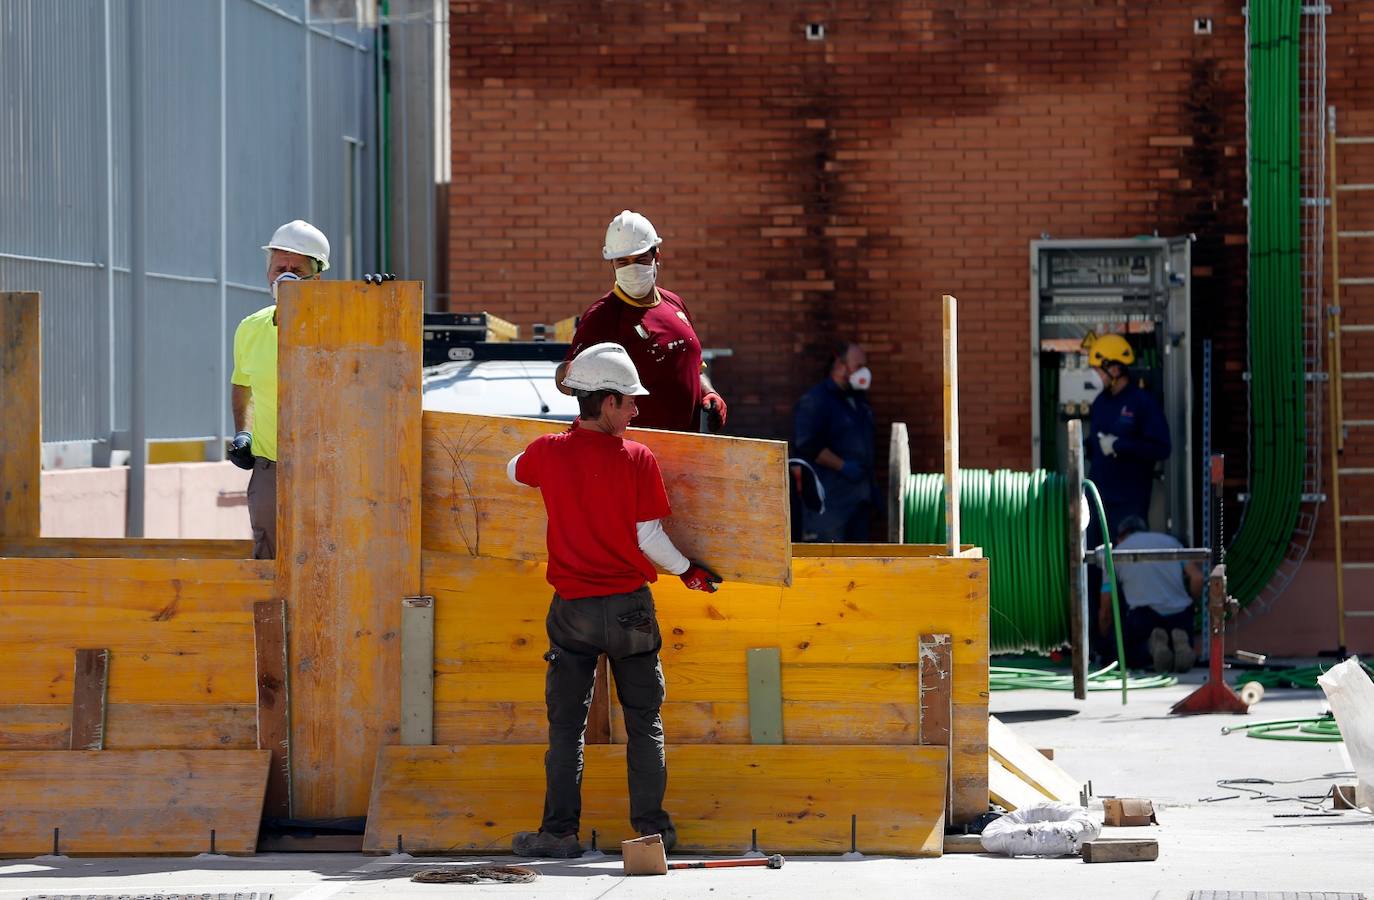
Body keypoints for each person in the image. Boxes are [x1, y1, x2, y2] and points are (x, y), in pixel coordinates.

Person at [507, 342, 724, 859]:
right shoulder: (637, 459)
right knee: (644, 723)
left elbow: (512, 468)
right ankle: (653, 834)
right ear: (605, 403)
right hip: (629, 609)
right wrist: (689, 572)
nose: (635, 410)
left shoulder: (547, 452)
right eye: (628, 401)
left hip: (573, 611)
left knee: (566, 728)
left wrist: (561, 445)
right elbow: (648, 539)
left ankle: (558, 835)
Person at [555, 210, 726, 433]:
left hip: (689, 445)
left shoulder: (674, 303)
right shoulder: (603, 316)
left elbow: (694, 367)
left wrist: (709, 392)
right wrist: (574, 376)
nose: (632, 268)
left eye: (640, 259)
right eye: (623, 261)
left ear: (657, 257)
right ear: (612, 264)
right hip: (636, 449)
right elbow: (567, 381)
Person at [227, 219, 331, 560]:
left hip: (328, 469)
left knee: (326, 557)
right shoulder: (251, 328)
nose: (285, 277)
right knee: (270, 557)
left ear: (316, 277)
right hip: (271, 467)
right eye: (279, 268)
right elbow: (243, 384)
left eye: (296, 269)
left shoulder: (341, 323)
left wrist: (378, 299)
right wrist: (243, 432)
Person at [1084, 333, 1171, 551]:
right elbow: (1096, 442)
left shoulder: (1142, 403)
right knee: (1093, 562)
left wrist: (1120, 445)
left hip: (1129, 503)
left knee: (1128, 560)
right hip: (1098, 500)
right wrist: (1087, 446)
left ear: (1115, 369)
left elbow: (1161, 448)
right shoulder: (1100, 403)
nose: (1096, 375)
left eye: (1098, 369)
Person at [792, 342, 875, 542]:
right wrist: (843, 466)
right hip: (829, 507)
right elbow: (808, 444)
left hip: (859, 501)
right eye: (858, 366)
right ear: (840, 365)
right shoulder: (815, 401)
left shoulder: (858, 401)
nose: (863, 371)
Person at [1100, 516, 1203, 673]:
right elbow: (1197, 577)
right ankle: (1181, 646)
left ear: (1121, 537)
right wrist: (1193, 603)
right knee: (1177, 635)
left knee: (1126, 654)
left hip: (1145, 617)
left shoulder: (1116, 553)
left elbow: (1106, 607)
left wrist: (1104, 638)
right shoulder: (1171, 542)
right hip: (1180, 615)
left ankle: (1151, 648)